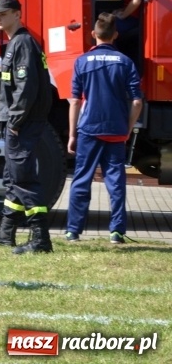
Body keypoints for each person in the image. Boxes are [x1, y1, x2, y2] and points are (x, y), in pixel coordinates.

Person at [0, 0, 54, 254]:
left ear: (17, 14)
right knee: (12, 177)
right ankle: (5, 233)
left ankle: (40, 238)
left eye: (3, 12)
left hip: (21, 123)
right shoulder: (17, 43)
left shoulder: (22, 43)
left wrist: (15, 120)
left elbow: (26, 87)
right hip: (17, 121)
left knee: (23, 180)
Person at [65, 13, 143, 244]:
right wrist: (127, 129)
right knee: (115, 181)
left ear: (93, 34)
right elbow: (137, 102)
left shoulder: (81, 61)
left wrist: (72, 134)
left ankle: (73, 230)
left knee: (82, 179)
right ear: (116, 35)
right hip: (116, 130)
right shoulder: (126, 62)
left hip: (88, 129)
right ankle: (116, 231)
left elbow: (75, 101)